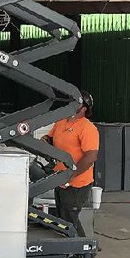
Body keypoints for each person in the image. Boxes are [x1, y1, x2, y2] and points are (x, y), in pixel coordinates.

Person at [42, 90, 99, 237]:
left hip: (76, 182)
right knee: (63, 217)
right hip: (60, 178)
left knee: (69, 218)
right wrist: (45, 141)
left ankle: (83, 250)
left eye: (76, 102)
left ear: (84, 108)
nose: (71, 104)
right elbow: (50, 137)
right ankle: (70, 247)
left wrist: (71, 175)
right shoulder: (61, 122)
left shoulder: (87, 128)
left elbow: (90, 156)